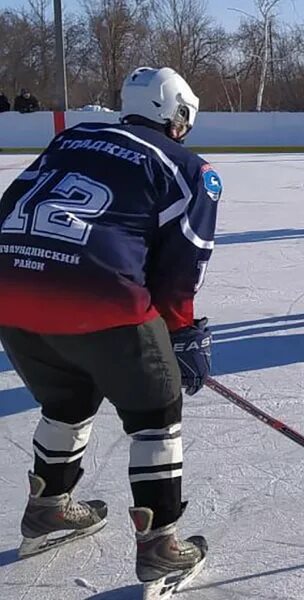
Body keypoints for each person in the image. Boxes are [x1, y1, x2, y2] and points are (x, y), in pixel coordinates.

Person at [0, 66, 218, 595]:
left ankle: (48, 506)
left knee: (67, 399)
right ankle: (161, 545)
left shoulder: (73, 137)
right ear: (178, 115)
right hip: (97, 295)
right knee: (156, 411)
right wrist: (180, 333)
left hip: (10, 288)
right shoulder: (190, 167)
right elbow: (182, 267)